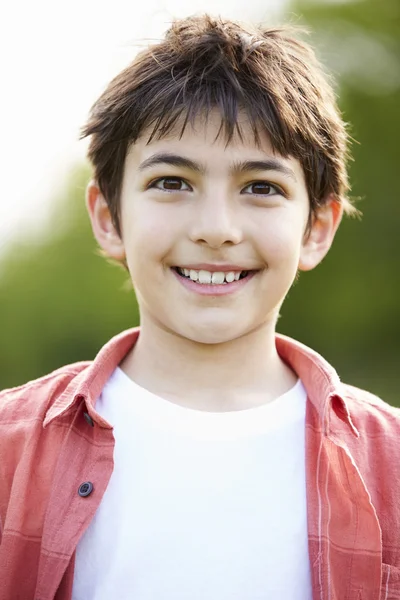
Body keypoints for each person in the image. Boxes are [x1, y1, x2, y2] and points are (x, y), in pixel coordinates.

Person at [0, 14, 399, 600]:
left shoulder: (391, 465)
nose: (216, 230)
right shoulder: (10, 451)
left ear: (316, 228)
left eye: (261, 188)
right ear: (109, 218)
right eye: (172, 182)